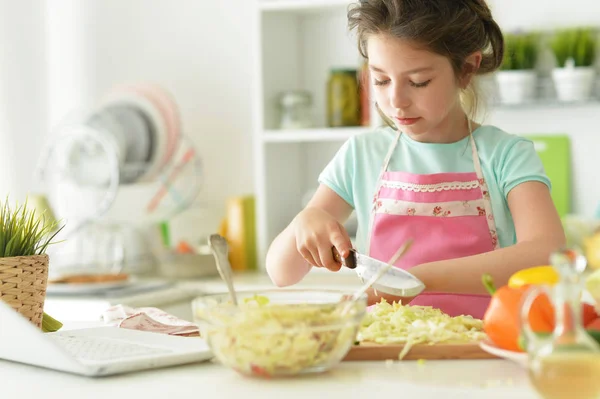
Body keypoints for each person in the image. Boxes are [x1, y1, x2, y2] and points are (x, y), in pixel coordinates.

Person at [265, 0, 566, 318]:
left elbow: (547, 253)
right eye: (381, 80)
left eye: (418, 82)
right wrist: (306, 222)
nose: (396, 101)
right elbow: (281, 272)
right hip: (385, 348)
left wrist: (419, 280)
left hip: (483, 347)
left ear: (466, 69)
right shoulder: (362, 154)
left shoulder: (507, 155)